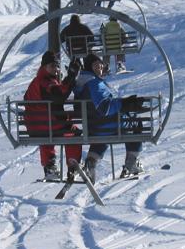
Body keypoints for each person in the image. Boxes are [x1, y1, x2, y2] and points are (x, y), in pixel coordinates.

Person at [74, 53, 147, 182]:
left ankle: (91, 161)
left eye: (101, 66)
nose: (100, 69)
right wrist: (123, 104)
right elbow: (104, 108)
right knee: (135, 123)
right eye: (96, 65)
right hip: (105, 124)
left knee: (103, 136)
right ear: (89, 67)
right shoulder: (93, 83)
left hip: (94, 127)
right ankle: (131, 164)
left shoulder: (82, 83)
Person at [24, 51, 82, 181]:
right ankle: (73, 166)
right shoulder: (46, 82)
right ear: (44, 67)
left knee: (47, 134)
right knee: (73, 132)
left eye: (57, 66)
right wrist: (71, 77)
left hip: (35, 128)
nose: (55, 69)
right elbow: (59, 96)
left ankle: (50, 167)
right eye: (52, 66)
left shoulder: (36, 82)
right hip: (49, 126)